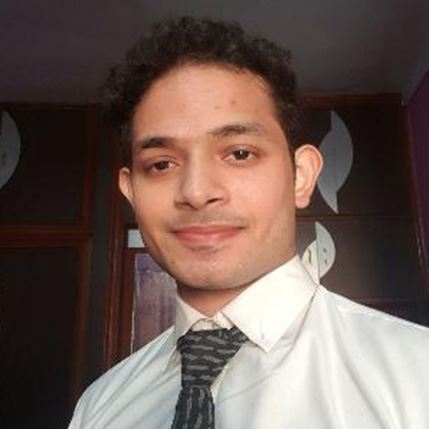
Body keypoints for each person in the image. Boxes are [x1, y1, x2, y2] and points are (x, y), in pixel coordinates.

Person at [69, 17, 429, 429]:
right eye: (162, 164)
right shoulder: (101, 406)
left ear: (301, 176)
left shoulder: (417, 375)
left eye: (239, 154)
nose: (197, 191)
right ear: (131, 192)